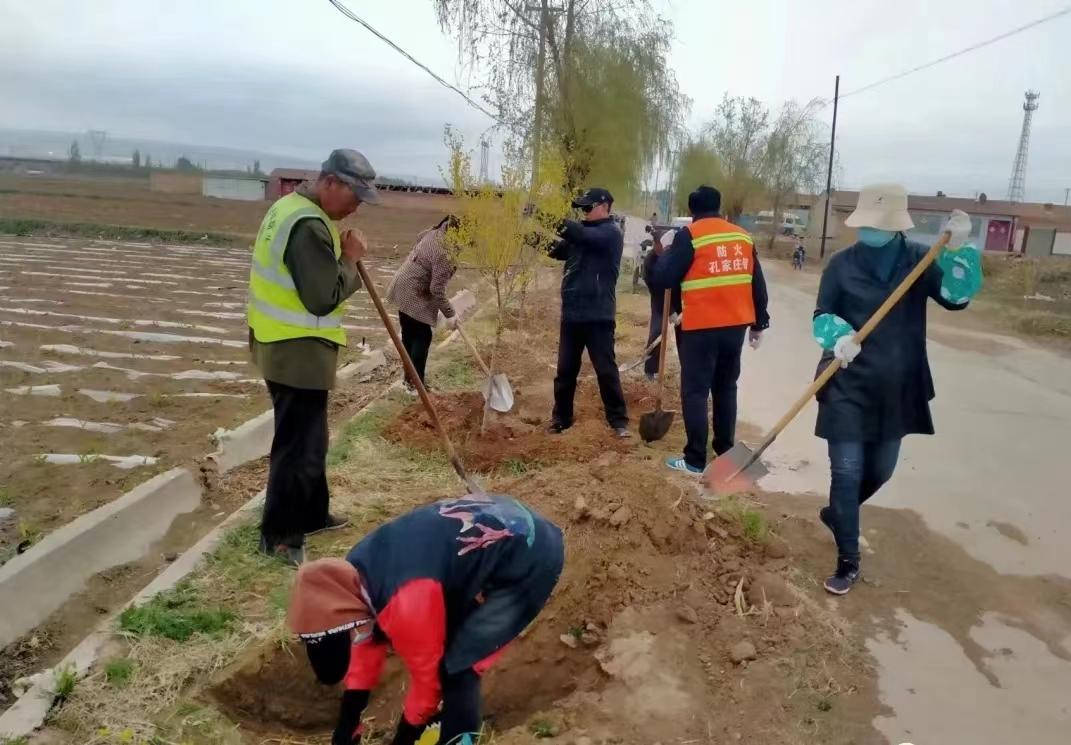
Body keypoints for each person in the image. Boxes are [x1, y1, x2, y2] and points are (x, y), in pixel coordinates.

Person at [287, 493, 564, 745]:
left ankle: (460, 738)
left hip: (531, 557)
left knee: (458, 668)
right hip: (494, 521)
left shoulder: (408, 600)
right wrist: (350, 719)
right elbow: (367, 639)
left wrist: (405, 738)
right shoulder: (352, 577)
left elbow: (427, 680)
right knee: (438, 640)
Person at [811, 185, 979, 595]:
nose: (870, 229)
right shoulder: (841, 265)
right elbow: (821, 315)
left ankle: (839, 513)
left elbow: (956, 299)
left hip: (898, 385)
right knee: (846, 471)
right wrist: (837, 337)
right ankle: (848, 559)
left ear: (896, 226)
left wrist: (958, 252)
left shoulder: (920, 260)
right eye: (866, 222)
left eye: (878, 224)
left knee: (880, 471)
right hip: (848, 379)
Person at [247, 149, 378, 565]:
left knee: (313, 439)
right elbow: (323, 298)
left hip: (287, 346)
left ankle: (312, 514)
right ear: (329, 183)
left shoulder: (291, 209)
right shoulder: (306, 225)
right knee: (296, 446)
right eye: (354, 194)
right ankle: (281, 536)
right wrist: (350, 261)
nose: (358, 204)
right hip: (295, 351)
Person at [648, 185, 770, 474]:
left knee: (696, 392)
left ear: (692, 211)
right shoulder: (742, 236)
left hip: (701, 327)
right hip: (735, 326)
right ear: (719, 206)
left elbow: (664, 277)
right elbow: (757, 282)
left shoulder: (690, 236)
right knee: (726, 388)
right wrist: (759, 322)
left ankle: (693, 460)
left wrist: (661, 253)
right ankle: (727, 454)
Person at [547, 187, 630, 438]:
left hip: (598, 315)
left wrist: (543, 217)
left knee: (605, 370)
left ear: (604, 206)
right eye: (580, 208)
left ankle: (618, 421)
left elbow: (580, 234)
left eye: (587, 207)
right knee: (565, 372)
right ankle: (561, 418)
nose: (583, 212)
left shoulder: (610, 233)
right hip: (572, 314)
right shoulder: (580, 236)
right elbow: (555, 249)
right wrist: (524, 234)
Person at [387, 215, 459, 394]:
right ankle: (415, 385)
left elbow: (419, 237)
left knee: (409, 334)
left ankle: (409, 380)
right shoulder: (445, 252)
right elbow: (436, 289)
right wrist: (451, 314)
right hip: (413, 291)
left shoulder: (433, 232)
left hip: (402, 283)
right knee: (422, 335)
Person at [641, 226, 680, 380]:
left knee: (685, 333)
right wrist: (670, 311)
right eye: (659, 245)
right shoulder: (650, 262)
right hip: (659, 298)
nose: (662, 247)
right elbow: (656, 290)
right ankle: (651, 369)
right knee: (657, 331)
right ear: (656, 244)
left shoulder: (673, 254)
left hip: (678, 296)